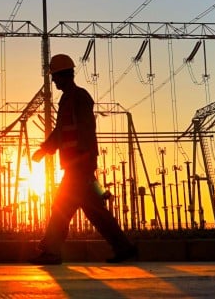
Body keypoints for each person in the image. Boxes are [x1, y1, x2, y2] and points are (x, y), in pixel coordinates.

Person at [30, 54, 137, 265]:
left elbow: (87, 131)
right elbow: (61, 130)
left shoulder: (80, 98)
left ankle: (51, 250)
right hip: (75, 165)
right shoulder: (67, 99)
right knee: (96, 212)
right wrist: (45, 150)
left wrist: (86, 163)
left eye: (55, 76)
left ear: (64, 75)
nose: (53, 81)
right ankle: (124, 248)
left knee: (61, 207)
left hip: (79, 165)